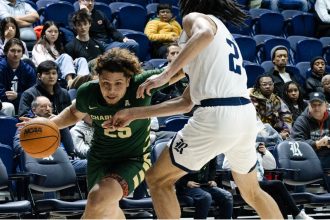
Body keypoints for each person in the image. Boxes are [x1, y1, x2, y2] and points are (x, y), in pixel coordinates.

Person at [108, 0, 283, 218]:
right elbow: (185, 103)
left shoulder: (195, 19)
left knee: (158, 180)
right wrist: (133, 114)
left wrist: (165, 74)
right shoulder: (220, 40)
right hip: (244, 115)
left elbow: (204, 33)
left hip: (216, 115)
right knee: (252, 192)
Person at [18, 48, 184, 218]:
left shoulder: (142, 84)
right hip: (99, 158)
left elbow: (182, 69)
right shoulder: (88, 91)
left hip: (133, 159)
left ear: (128, 80)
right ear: (98, 79)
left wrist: (164, 76)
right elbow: (74, 113)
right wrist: (48, 124)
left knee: (98, 198)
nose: (111, 90)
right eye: (105, 83)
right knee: (104, 206)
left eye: (118, 83)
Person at [32, 21, 89, 87]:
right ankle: (69, 81)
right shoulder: (39, 47)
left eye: (56, 32)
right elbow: (42, 65)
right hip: (49, 70)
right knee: (65, 56)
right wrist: (62, 60)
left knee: (81, 60)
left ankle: (83, 82)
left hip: (61, 71)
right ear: (44, 33)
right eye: (50, 31)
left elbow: (67, 63)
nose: (53, 34)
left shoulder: (59, 47)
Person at [291, 92, 330, 169]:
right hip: (311, 156)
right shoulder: (301, 121)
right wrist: (317, 143)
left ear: (325, 105)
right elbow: (296, 143)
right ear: (308, 106)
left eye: (320, 104)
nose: (317, 108)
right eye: (313, 105)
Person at [249, 75, 293, 140]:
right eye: (264, 84)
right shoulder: (251, 99)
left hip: (278, 131)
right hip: (259, 133)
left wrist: (285, 130)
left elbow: (286, 115)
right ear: (259, 86)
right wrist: (275, 135)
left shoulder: (276, 99)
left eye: (270, 84)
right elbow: (254, 120)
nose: (268, 86)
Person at [0, 38, 36, 111]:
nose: (16, 54)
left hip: (22, 101)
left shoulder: (28, 70)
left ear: (23, 53)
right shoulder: (1, 67)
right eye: (12, 51)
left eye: (19, 51)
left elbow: (32, 92)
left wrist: (18, 95)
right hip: (3, 103)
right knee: (8, 107)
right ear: (6, 52)